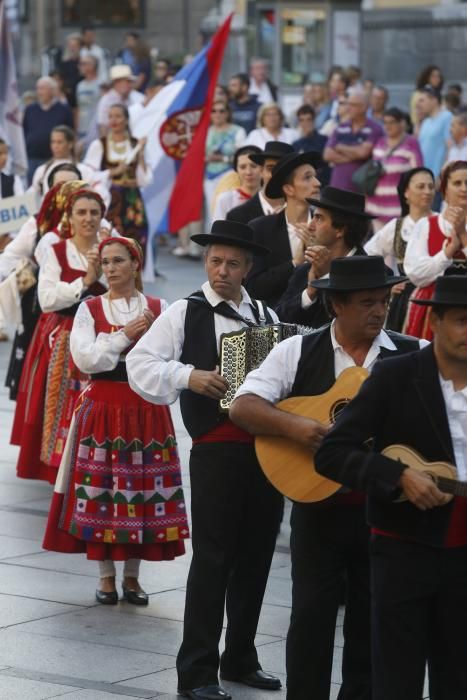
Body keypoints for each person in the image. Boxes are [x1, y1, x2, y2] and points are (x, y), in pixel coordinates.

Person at [230, 255, 422, 700]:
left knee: (372, 622)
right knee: (311, 618)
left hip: (385, 512)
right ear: (337, 305)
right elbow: (243, 405)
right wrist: (299, 427)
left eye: (384, 301)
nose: (379, 311)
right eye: (367, 303)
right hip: (318, 508)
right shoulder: (296, 350)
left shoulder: (412, 353)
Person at [126, 220, 283, 700]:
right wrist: (189, 376)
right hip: (216, 448)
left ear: (248, 268)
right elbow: (140, 364)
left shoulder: (266, 314)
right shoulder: (183, 311)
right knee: (213, 559)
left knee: (257, 557)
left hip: (268, 449)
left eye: (232, 263)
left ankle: (240, 656)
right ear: (205, 262)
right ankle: (196, 671)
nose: (222, 270)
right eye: (215, 260)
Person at [314, 273, 467, 700]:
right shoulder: (395, 375)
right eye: (460, 320)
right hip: (403, 549)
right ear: (435, 323)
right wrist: (396, 475)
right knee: (394, 676)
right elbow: (332, 452)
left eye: (382, 301)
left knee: (458, 677)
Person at [43, 236, 189, 604]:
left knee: (141, 492)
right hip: (103, 407)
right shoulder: (90, 308)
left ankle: (133, 578)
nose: (109, 269)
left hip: (145, 408)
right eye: (105, 262)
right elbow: (86, 360)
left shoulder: (158, 307)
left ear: (135, 264)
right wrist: (126, 335)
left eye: (118, 261)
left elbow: (169, 355)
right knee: (103, 490)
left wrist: (140, 340)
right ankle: (106, 576)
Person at [11, 188, 108, 483]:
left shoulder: (111, 249)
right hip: (63, 335)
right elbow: (48, 299)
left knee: (96, 402)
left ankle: (91, 463)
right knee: (59, 401)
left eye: (94, 212)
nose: (88, 218)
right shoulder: (56, 250)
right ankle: (56, 466)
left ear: (102, 216)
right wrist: (87, 280)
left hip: (101, 334)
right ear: (70, 216)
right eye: (81, 212)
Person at [276, 186, 373, 327]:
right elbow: (278, 320)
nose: (310, 226)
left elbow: (352, 321)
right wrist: (310, 292)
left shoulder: (372, 272)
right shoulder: (305, 271)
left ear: (340, 230)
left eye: (319, 219)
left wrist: (326, 278)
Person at [245, 149, 321, 307]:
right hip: (271, 322)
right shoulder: (260, 228)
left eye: (315, 176)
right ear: (288, 189)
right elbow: (253, 288)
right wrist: (295, 262)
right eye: (308, 177)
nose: (317, 183)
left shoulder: (326, 226)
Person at [366, 167, 435, 332]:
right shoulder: (397, 227)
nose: (427, 191)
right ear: (406, 193)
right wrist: (387, 282)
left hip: (436, 297)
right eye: (421, 187)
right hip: (404, 301)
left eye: (431, 187)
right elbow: (367, 254)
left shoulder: (441, 223)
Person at [404, 160, 467, 339]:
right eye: (457, 183)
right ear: (445, 190)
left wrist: (462, 234)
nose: (464, 188)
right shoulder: (426, 225)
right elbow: (416, 273)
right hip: (433, 307)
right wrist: (447, 253)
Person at [84, 104, 151, 261]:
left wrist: (140, 154)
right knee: (112, 240)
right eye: (111, 116)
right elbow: (87, 175)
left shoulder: (136, 144)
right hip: (111, 200)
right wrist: (113, 172)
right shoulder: (99, 145)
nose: (114, 120)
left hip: (133, 201)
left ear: (126, 120)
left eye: (118, 116)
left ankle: (135, 279)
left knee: (137, 240)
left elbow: (145, 180)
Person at [365, 107, 423, 228]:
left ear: (401, 123)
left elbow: (418, 174)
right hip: (375, 206)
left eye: (391, 122)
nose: (387, 126)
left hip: (398, 208)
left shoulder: (411, 143)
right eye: (385, 122)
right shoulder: (380, 142)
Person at [323, 87, 383, 193]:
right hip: (337, 188)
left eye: (353, 105)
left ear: (364, 107)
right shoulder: (340, 128)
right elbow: (327, 155)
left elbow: (363, 153)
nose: (348, 108)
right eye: (348, 104)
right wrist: (355, 156)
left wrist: (340, 147)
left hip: (360, 191)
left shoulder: (375, 129)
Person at [226, 141, 294, 224]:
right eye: (270, 169)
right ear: (261, 171)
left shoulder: (307, 215)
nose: (276, 175)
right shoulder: (236, 216)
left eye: (283, 169)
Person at [23, 77, 74, 183]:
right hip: (32, 157)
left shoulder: (63, 109)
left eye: (42, 88)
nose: (39, 92)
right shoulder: (30, 109)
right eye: (38, 89)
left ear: (52, 90)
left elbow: (70, 132)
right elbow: (25, 130)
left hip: (53, 158)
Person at [29, 125, 100, 198]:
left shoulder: (83, 170)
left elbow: (100, 194)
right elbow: (31, 196)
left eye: (59, 142)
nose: (55, 146)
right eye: (53, 142)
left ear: (70, 144)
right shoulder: (42, 170)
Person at [204, 102, 246, 215]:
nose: (218, 114)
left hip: (230, 174)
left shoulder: (238, 131)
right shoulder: (204, 132)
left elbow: (242, 157)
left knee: (229, 208)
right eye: (214, 111)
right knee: (211, 209)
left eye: (221, 111)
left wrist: (222, 159)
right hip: (209, 176)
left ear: (227, 113)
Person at [211, 145, 262, 223]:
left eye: (253, 166)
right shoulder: (225, 199)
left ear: (262, 169)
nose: (248, 172)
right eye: (242, 167)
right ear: (236, 171)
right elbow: (217, 232)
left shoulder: (271, 200)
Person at [417, 85, 452, 185]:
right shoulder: (426, 122)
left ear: (434, 100)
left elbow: (451, 148)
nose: (419, 104)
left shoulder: (447, 117)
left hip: (436, 178)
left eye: (422, 100)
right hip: (423, 178)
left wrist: (442, 175)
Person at [96, 64, 144, 137]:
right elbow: (103, 127)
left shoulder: (134, 97)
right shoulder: (106, 101)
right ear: (117, 82)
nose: (130, 85)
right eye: (127, 81)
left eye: (130, 82)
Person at [75, 54, 101, 147]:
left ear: (92, 65)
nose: (80, 66)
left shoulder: (101, 84)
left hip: (96, 130)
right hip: (82, 129)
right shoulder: (80, 86)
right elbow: (78, 108)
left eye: (83, 64)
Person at [410, 64, 444, 132]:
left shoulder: (439, 94)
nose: (437, 79)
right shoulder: (418, 94)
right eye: (433, 76)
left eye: (438, 76)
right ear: (426, 77)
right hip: (422, 128)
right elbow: (414, 116)